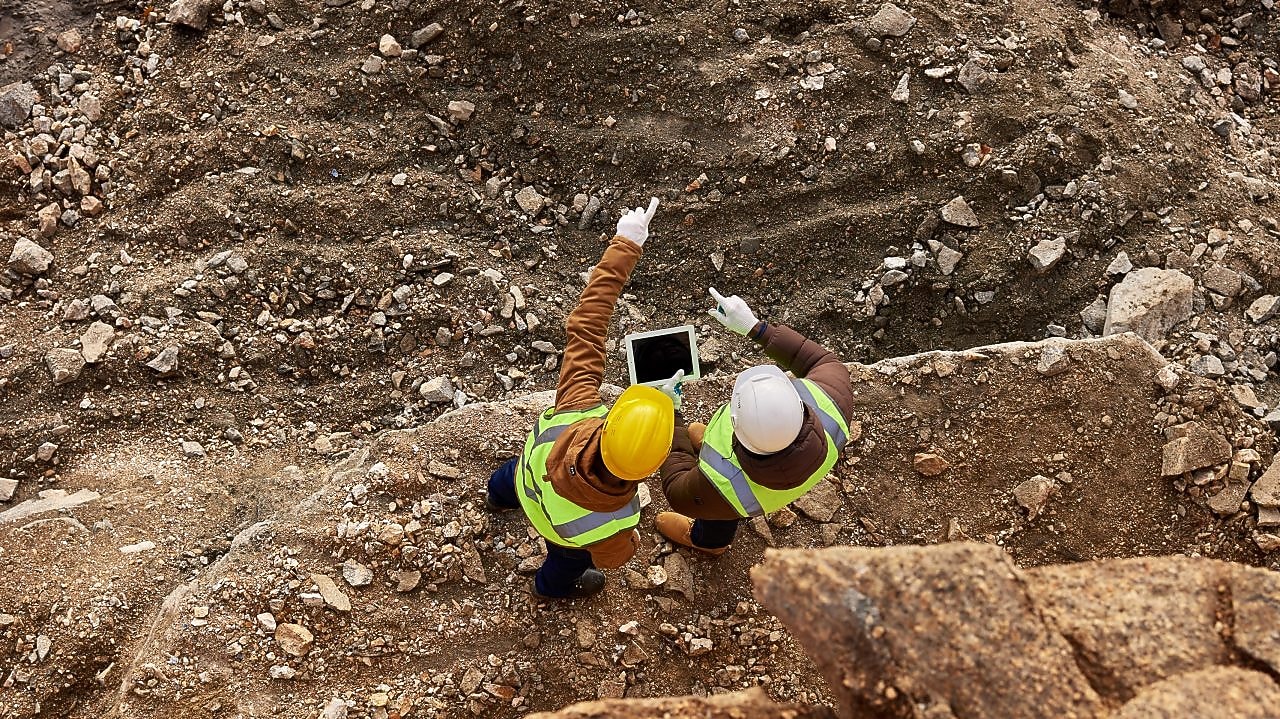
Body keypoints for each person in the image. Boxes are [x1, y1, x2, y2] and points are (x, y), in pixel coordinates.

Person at [486, 198, 675, 600]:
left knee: (506, 479)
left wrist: (626, 243)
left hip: (526, 480)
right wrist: (632, 545)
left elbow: (587, 325)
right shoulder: (621, 516)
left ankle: (497, 498)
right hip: (561, 534)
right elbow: (612, 556)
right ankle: (549, 590)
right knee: (566, 565)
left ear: (612, 421)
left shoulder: (578, 406)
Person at [655, 288, 855, 555]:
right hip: (790, 471)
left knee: (719, 513)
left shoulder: (723, 484)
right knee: (723, 499)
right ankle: (707, 448)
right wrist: (756, 328)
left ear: (735, 428)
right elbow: (819, 359)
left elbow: (676, 486)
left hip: (730, 495)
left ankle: (709, 542)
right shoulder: (833, 405)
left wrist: (672, 415)